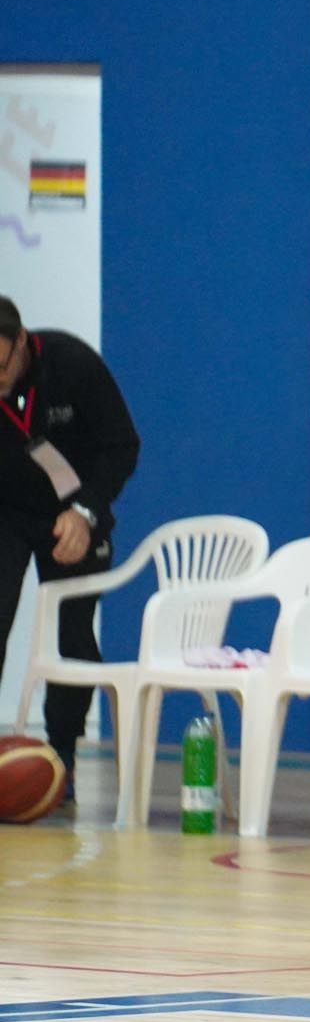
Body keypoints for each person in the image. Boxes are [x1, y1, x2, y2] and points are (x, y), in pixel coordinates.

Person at [0, 294, 140, 797]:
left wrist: (86, 511)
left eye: (0, 365)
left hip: (76, 509)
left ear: (21, 344)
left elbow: (123, 445)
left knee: (73, 632)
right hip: (8, 511)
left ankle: (62, 760)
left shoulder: (72, 363)